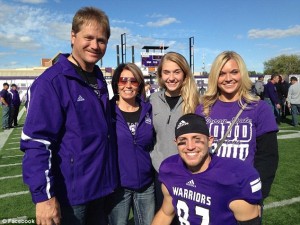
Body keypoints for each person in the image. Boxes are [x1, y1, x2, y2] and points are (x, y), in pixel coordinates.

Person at [20, 7, 118, 225]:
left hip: (100, 189)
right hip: (71, 196)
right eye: (89, 38)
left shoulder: (98, 77)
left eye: (101, 40)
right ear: (73, 36)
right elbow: (36, 142)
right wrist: (44, 198)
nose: (95, 45)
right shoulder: (51, 83)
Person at [195, 51, 278, 203]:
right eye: (221, 74)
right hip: (209, 191)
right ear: (215, 77)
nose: (228, 78)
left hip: (244, 191)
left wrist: (258, 194)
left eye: (234, 72)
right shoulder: (202, 109)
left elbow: (268, 157)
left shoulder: (259, 108)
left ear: (242, 74)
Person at [152, 113, 262, 225]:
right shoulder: (170, 169)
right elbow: (166, 213)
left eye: (197, 139)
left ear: (210, 141)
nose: (190, 146)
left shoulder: (234, 177)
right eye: (183, 140)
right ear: (176, 143)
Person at [149, 52, 200, 214]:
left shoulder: (196, 102)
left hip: (188, 174)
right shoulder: (152, 100)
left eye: (177, 72)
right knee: (163, 216)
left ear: (184, 74)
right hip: (160, 173)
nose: (171, 77)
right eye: (166, 72)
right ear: (160, 75)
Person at [107, 63, 155, 225]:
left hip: (146, 184)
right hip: (118, 186)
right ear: (116, 83)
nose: (128, 85)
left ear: (139, 84)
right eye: (123, 80)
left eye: (133, 81)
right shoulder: (106, 111)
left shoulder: (148, 110)